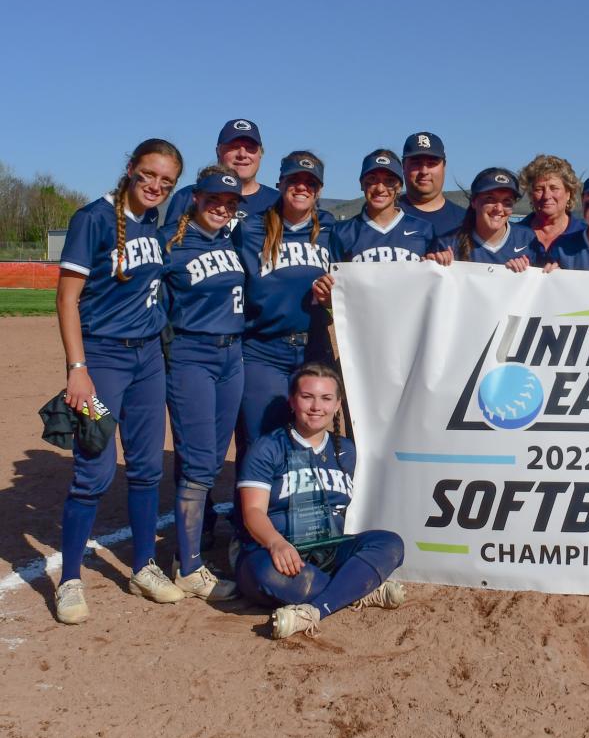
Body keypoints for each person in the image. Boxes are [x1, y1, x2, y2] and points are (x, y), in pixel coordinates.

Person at [54, 138, 185, 624]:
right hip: (101, 362)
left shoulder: (152, 221)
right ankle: (69, 579)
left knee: (148, 467)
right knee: (94, 470)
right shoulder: (93, 218)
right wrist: (77, 369)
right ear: (130, 169)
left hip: (148, 359)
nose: (155, 186)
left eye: (165, 181)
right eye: (148, 175)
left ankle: (143, 567)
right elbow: (67, 300)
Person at [235, 363, 405, 639]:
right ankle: (357, 589)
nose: (317, 407)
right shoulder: (268, 448)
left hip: (328, 550)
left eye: (326, 399)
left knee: (391, 543)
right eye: (307, 397)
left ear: (338, 404)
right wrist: (276, 543)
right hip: (276, 554)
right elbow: (253, 512)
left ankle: (315, 610)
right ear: (292, 401)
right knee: (266, 574)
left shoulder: (346, 451)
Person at [159, 166, 248, 601]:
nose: (222, 208)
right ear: (196, 198)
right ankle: (189, 566)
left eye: (230, 204)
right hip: (193, 355)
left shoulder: (230, 241)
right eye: (215, 200)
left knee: (213, 459)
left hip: (233, 356)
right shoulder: (170, 246)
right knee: (197, 463)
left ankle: (190, 555)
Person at [233, 151, 336, 459]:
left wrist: (334, 298)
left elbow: (352, 283)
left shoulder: (331, 229)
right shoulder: (251, 229)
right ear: (280, 184)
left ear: (319, 190)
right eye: (295, 180)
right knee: (259, 438)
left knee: (309, 435)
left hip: (314, 348)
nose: (302, 187)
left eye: (310, 182)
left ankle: (299, 507)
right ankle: (249, 508)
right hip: (263, 349)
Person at [164, 119, 279, 227]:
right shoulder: (187, 196)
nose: (242, 154)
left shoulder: (278, 201)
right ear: (218, 151)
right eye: (234, 147)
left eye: (250, 148)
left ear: (261, 153)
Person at [428, 167, 543, 270]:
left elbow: (547, 283)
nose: (498, 208)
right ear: (473, 201)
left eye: (507, 201)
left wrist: (529, 273)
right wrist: (434, 264)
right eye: (490, 199)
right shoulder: (448, 244)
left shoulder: (527, 239)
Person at [331, 150, 435, 263]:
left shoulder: (423, 229)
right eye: (372, 179)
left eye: (389, 181)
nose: (380, 189)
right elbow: (335, 276)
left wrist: (443, 260)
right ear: (361, 183)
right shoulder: (342, 232)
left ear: (399, 187)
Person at [397, 132, 466, 238]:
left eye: (432, 163)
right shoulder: (387, 215)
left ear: (444, 166)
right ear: (403, 166)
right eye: (416, 163)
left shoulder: (466, 221)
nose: (424, 171)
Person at [518, 154, 587, 249]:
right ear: (531, 194)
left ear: (568, 193)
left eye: (554, 188)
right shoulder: (514, 235)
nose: (546, 196)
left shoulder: (585, 236)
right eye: (539, 189)